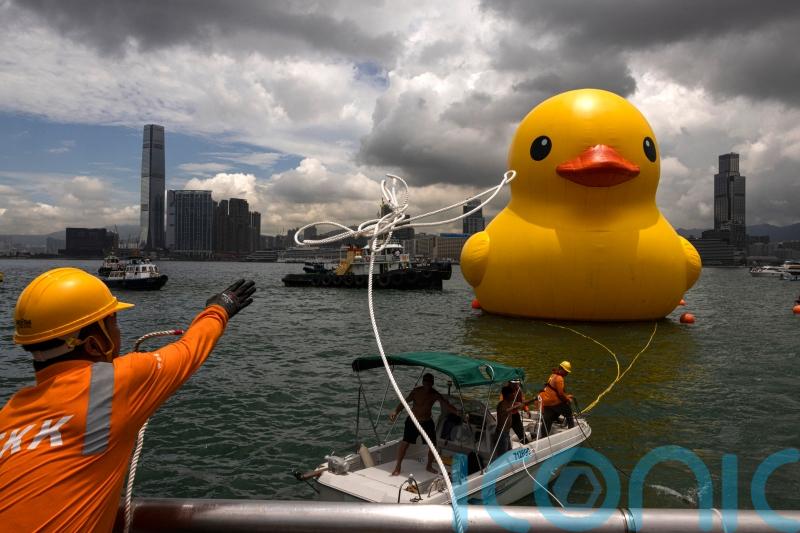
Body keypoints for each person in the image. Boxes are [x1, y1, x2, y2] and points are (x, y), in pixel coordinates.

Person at [0, 268, 255, 532]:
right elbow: (190, 349)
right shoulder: (115, 383)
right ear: (94, 344)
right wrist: (219, 308)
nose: (118, 330)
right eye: (113, 322)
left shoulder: (9, 413)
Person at [388, 372, 458, 476]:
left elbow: (446, 405)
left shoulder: (435, 394)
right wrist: (396, 411)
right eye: (426, 381)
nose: (428, 383)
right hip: (413, 421)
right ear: (423, 382)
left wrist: (458, 412)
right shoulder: (416, 391)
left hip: (427, 422)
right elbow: (405, 402)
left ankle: (429, 466)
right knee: (405, 444)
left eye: (430, 381)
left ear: (432, 383)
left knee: (433, 446)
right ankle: (398, 466)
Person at [538, 360, 575, 438]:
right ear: (562, 369)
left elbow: (554, 390)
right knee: (568, 412)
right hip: (554, 402)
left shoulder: (553, 375)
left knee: (547, 420)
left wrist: (566, 396)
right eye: (566, 372)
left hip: (546, 402)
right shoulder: (559, 379)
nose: (567, 374)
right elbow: (560, 394)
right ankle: (572, 432)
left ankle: (543, 437)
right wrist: (567, 399)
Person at [494, 385, 525, 458]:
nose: (514, 396)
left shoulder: (510, 403)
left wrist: (533, 400)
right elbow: (509, 410)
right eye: (513, 394)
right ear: (508, 395)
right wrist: (516, 407)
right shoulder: (502, 405)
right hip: (502, 434)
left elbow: (520, 404)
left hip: (506, 433)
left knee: (509, 452)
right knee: (502, 456)